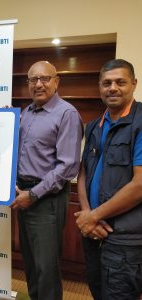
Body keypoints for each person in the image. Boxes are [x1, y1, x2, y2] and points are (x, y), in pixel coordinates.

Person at [11, 61, 82, 300]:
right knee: (30, 263)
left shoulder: (66, 113)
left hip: (45, 200)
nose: (39, 84)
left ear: (56, 81)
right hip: (23, 195)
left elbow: (68, 166)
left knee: (46, 268)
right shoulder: (26, 113)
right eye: (33, 80)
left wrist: (33, 195)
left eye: (45, 78)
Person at [75, 59, 142, 300]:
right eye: (106, 83)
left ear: (133, 84)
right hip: (93, 233)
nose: (112, 88)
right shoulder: (93, 126)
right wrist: (86, 215)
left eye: (120, 82)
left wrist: (93, 216)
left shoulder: (140, 123)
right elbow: (83, 173)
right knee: (97, 291)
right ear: (100, 87)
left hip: (124, 239)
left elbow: (140, 185)